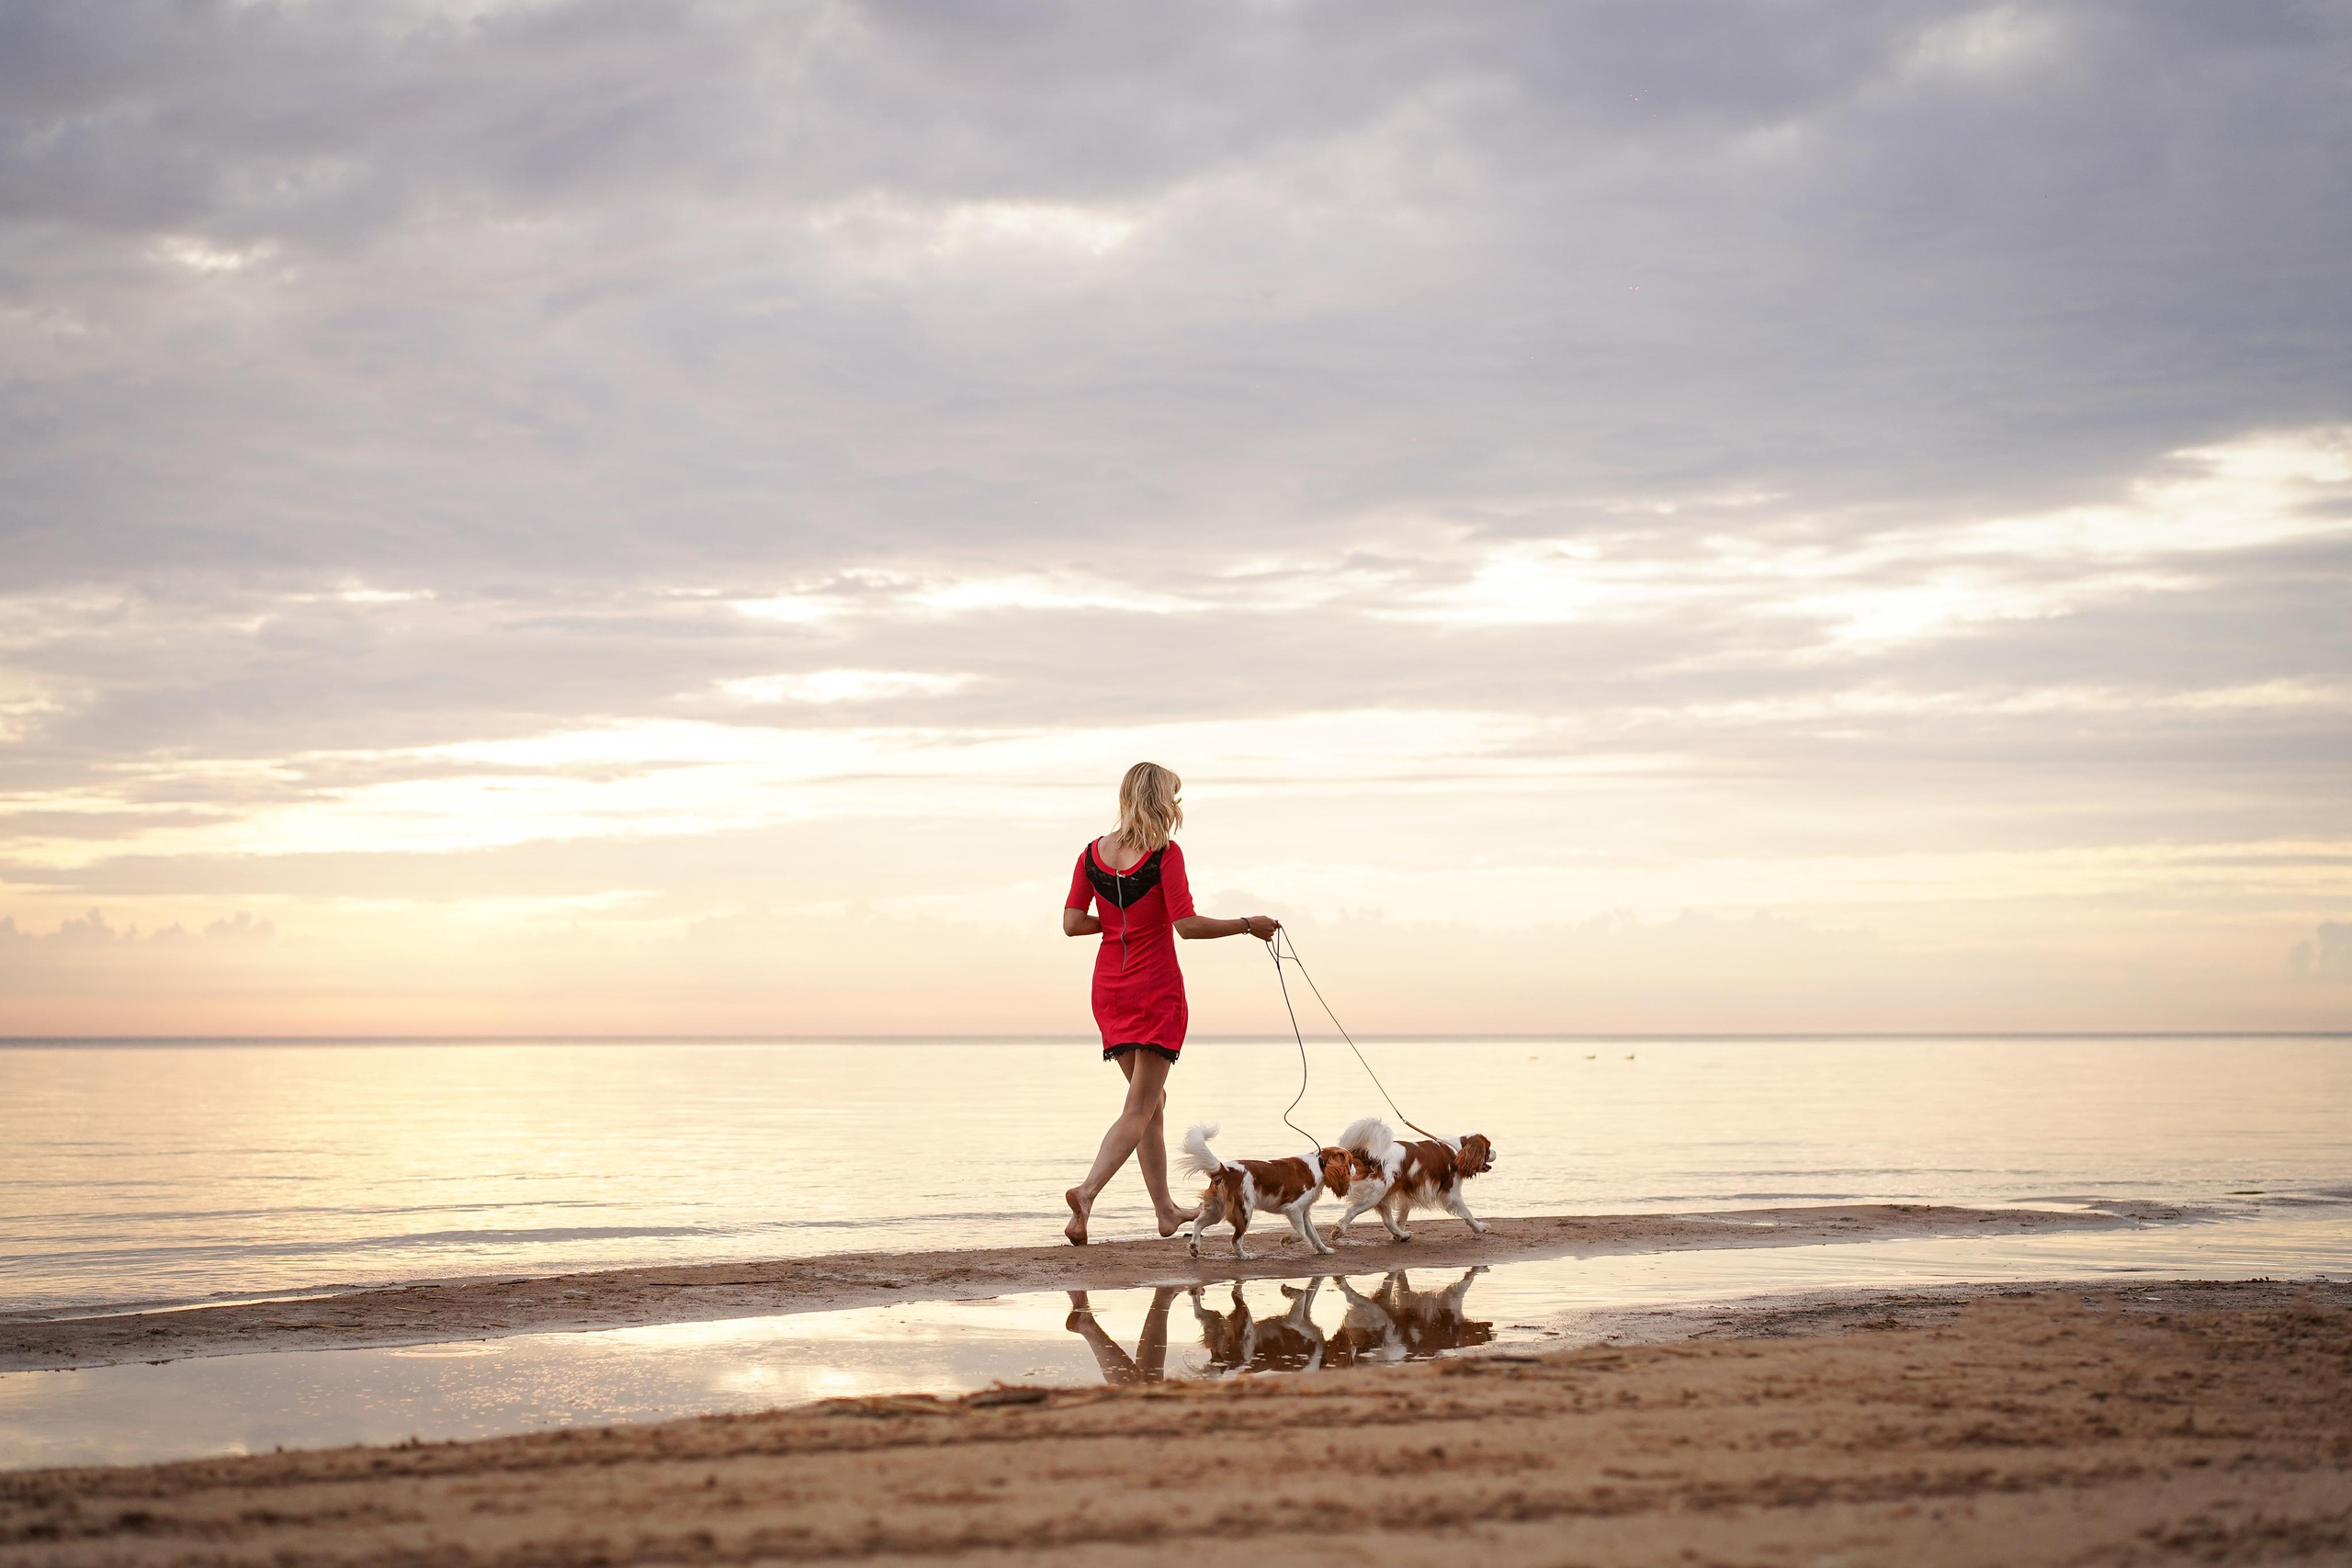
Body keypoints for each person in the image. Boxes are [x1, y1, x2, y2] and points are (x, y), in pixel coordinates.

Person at [1060, 761, 1278, 1245]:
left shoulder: (1092, 854)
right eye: (1174, 796)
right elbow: (1187, 925)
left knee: (1152, 1103)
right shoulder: (1163, 854)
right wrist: (1246, 924)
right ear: (1160, 800)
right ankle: (1088, 1191)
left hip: (1109, 990)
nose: (1178, 806)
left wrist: (1119, 925)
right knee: (1140, 1106)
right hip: (1155, 988)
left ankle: (1164, 1211)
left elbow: (1073, 923)